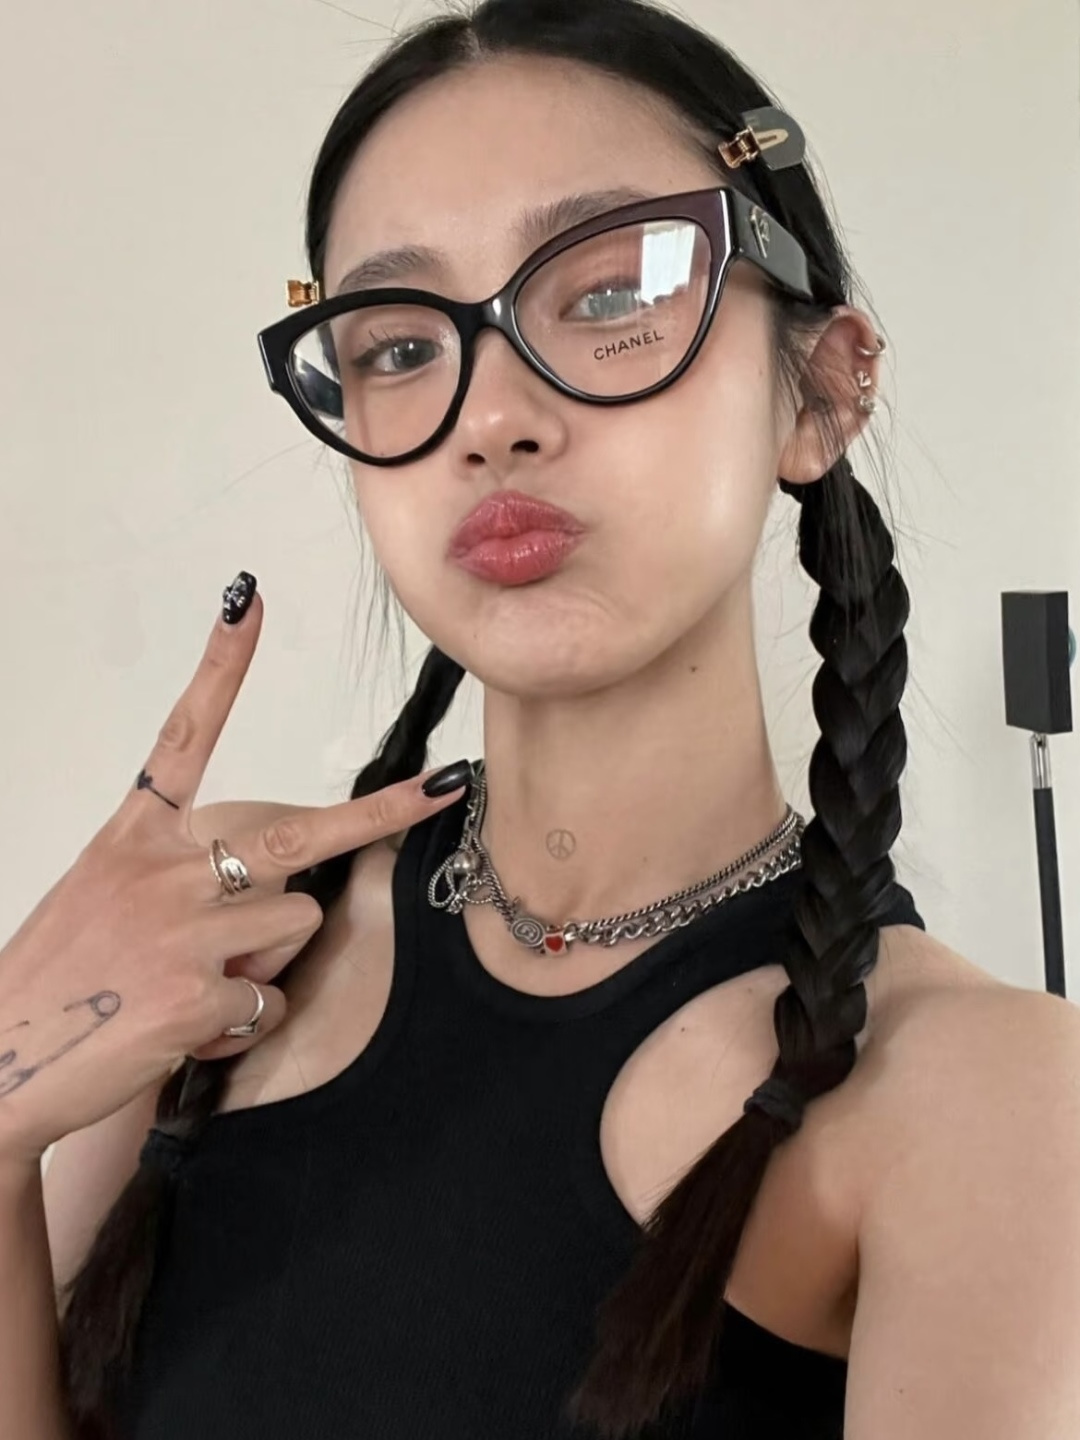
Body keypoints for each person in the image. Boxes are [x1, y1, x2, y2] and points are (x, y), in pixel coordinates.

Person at [2, 0, 1078, 1436]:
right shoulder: (228, 923)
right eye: (399, 345)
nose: (489, 414)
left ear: (821, 392)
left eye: (614, 291)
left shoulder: (984, 1096)